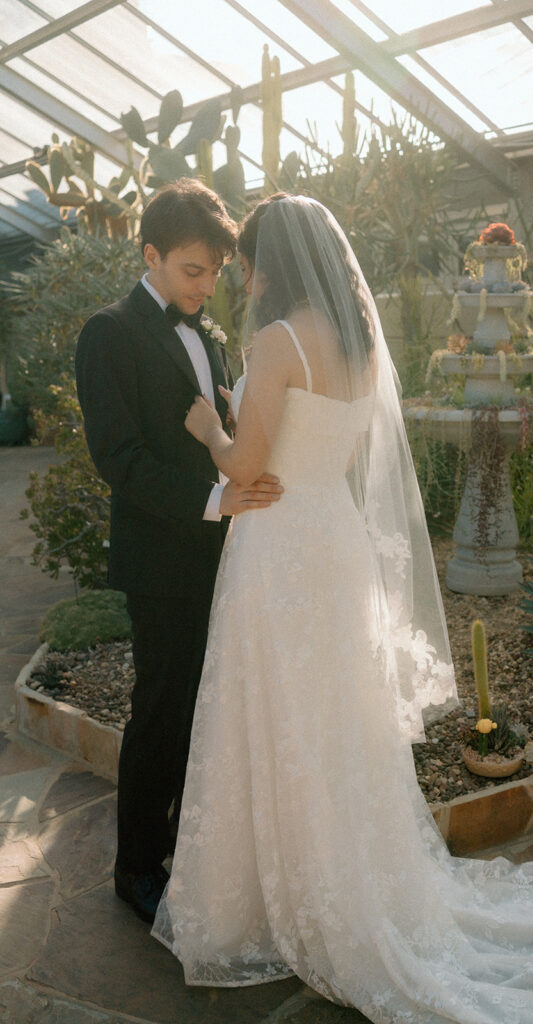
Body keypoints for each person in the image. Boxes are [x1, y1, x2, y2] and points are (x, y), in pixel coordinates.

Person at [152, 194, 533, 1022]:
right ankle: (357, 880)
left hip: (281, 544)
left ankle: (289, 895)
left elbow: (249, 460)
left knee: (285, 717)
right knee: (336, 720)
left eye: (248, 262)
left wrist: (208, 430)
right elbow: (334, 444)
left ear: (273, 264)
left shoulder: (275, 339)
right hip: (333, 538)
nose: (241, 277)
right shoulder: (359, 342)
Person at [75, 179, 283, 924]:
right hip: (162, 559)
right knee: (160, 712)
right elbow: (119, 457)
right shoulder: (108, 332)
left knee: (208, 708)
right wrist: (211, 501)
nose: (206, 286)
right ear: (151, 255)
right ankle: (135, 870)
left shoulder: (213, 334)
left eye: (217, 273)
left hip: (228, 555)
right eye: (193, 272)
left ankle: (186, 848)